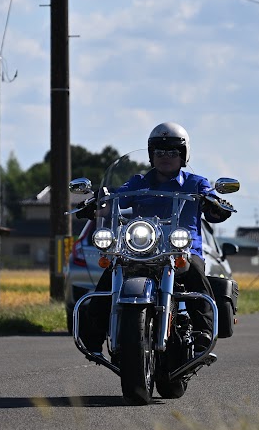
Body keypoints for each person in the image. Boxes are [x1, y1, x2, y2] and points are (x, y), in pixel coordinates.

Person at [75, 121, 234, 356]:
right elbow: (115, 199)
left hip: (182, 250)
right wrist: (97, 203)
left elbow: (213, 211)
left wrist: (216, 206)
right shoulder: (138, 182)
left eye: (172, 152)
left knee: (195, 272)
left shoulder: (196, 183)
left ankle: (204, 331)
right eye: (159, 152)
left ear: (183, 155)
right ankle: (93, 337)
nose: (165, 157)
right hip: (142, 249)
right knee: (111, 273)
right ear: (151, 155)